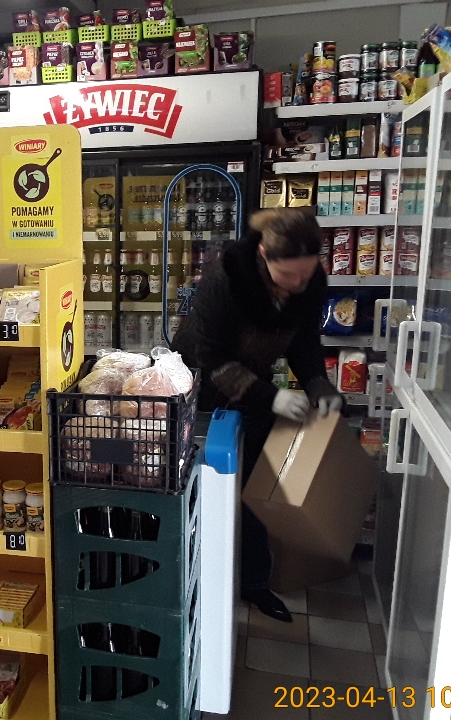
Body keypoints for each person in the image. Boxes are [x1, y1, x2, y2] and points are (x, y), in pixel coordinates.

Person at [172, 207, 344, 623]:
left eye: (306, 275)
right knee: (203, 488)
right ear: (264, 255)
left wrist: (317, 384)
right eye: (290, 276)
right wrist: (272, 397)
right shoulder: (227, 278)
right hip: (201, 389)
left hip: (254, 388)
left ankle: (253, 583)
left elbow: (304, 339)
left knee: (255, 487)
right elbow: (211, 356)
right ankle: (195, 581)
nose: (298, 285)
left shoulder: (309, 282)